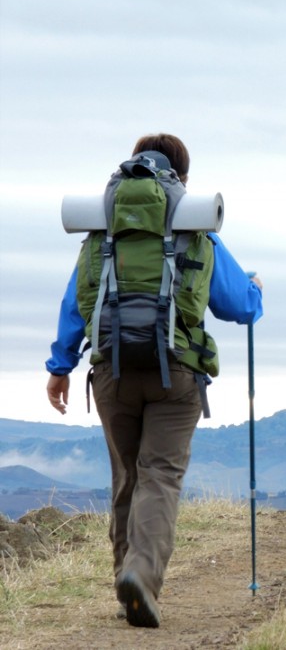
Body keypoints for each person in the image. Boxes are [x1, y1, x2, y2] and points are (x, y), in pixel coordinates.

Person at [44, 133, 263, 628]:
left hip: (111, 371)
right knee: (159, 476)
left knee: (127, 477)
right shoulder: (197, 231)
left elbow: (75, 304)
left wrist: (60, 368)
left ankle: (127, 583)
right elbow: (240, 306)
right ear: (182, 177)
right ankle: (141, 575)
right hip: (177, 374)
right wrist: (255, 288)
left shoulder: (100, 235)